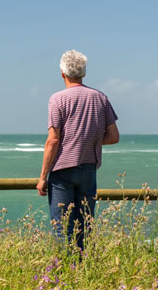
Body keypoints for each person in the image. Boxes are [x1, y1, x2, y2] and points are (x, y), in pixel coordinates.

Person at [36, 50, 119, 251]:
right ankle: (82, 269)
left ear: (62, 74)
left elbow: (53, 141)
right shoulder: (100, 98)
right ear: (83, 73)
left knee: (62, 226)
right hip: (89, 168)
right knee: (84, 225)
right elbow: (114, 137)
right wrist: (87, 142)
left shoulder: (57, 99)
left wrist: (42, 176)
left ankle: (65, 271)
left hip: (62, 170)